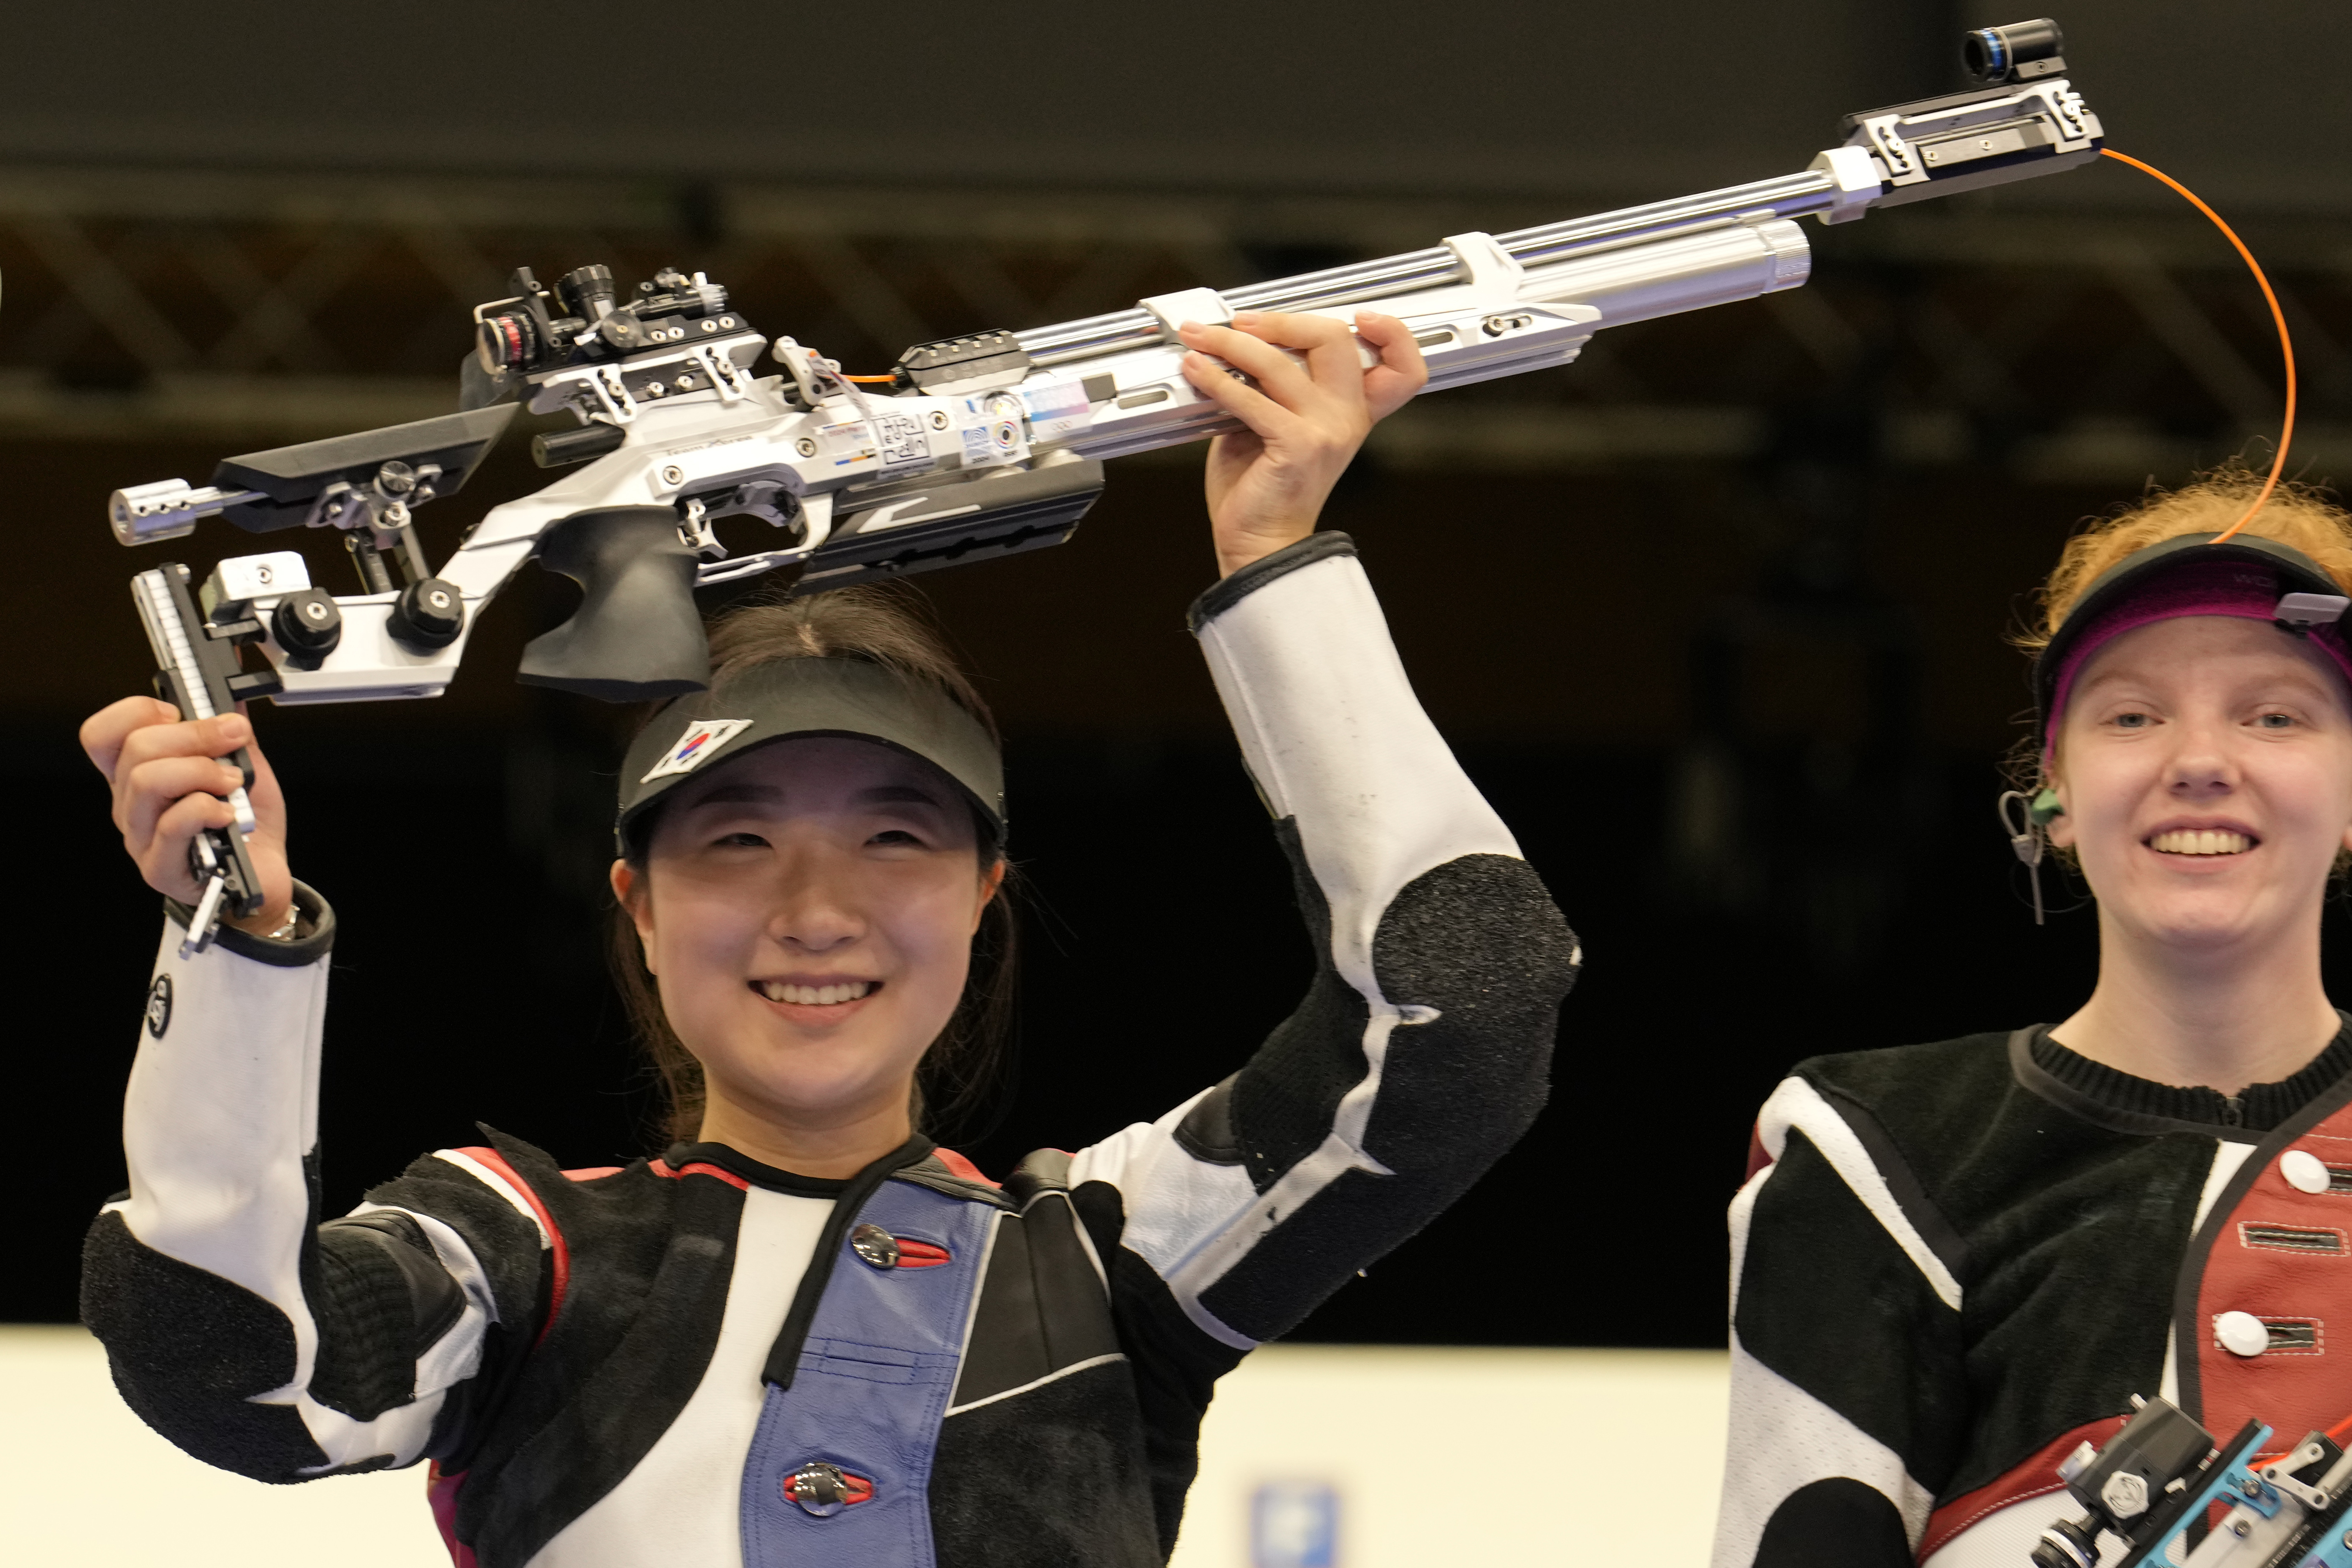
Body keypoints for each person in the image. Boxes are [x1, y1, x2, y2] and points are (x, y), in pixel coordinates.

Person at [76, 309, 1580, 1568]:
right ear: (639, 906)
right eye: (738, 841)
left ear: (987, 893)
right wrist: (236, 942)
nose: (815, 908)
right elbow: (236, 1370)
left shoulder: (1111, 1257)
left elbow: (1468, 1011)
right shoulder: (517, 1255)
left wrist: (1275, 564)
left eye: (895, 837)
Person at [1713, 476, 2352, 1567]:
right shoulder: (1878, 1153)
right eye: (2133, 715)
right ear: (2052, 794)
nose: (2199, 762)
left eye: (2274, 715)